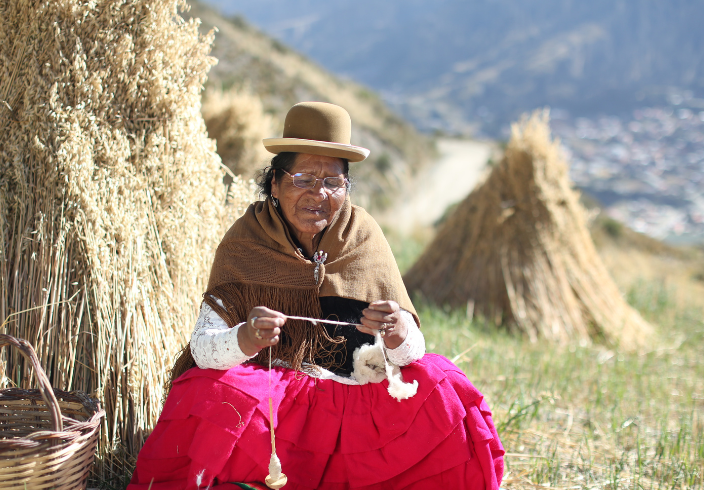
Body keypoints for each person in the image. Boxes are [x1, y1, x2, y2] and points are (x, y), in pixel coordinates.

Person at [128, 102, 504, 490]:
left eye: (333, 182)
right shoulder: (246, 241)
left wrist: (396, 333)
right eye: (303, 178)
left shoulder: (363, 236)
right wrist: (246, 337)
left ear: (347, 187)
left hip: (355, 403)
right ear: (274, 181)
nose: (318, 194)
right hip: (275, 408)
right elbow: (203, 350)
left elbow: (411, 354)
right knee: (210, 392)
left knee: (441, 383)